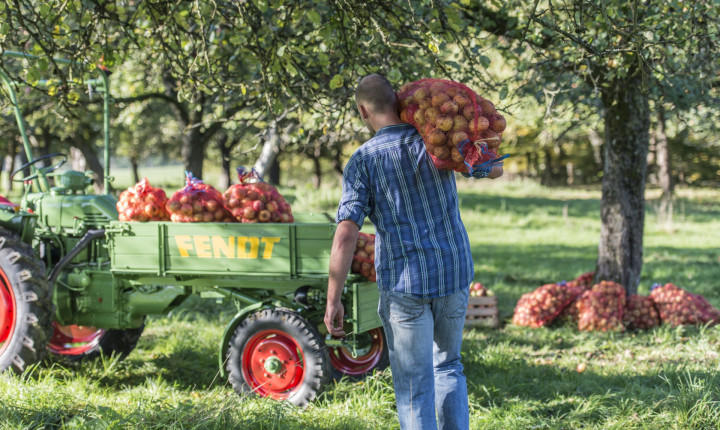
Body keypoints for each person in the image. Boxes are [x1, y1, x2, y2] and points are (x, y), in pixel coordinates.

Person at [324, 74, 503, 429]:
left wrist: (333, 299)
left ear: (364, 110)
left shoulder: (362, 162)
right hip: (452, 272)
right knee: (448, 365)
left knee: (413, 382)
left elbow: (346, 232)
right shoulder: (437, 144)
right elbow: (495, 168)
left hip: (404, 285)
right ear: (398, 101)